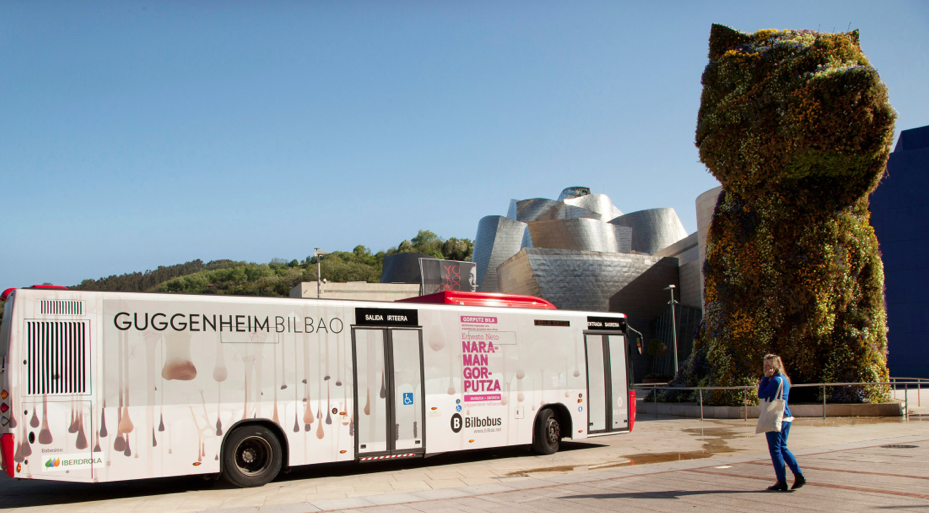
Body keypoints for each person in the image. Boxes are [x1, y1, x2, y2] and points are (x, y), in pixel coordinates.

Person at [758, 354, 805, 491]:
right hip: (785, 416)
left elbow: (761, 394)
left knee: (775, 449)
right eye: (765, 365)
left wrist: (765, 378)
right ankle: (798, 475)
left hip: (776, 417)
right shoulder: (784, 379)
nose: (766, 368)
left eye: (769, 365)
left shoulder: (774, 380)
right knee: (782, 447)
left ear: (775, 366)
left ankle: (781, 481)